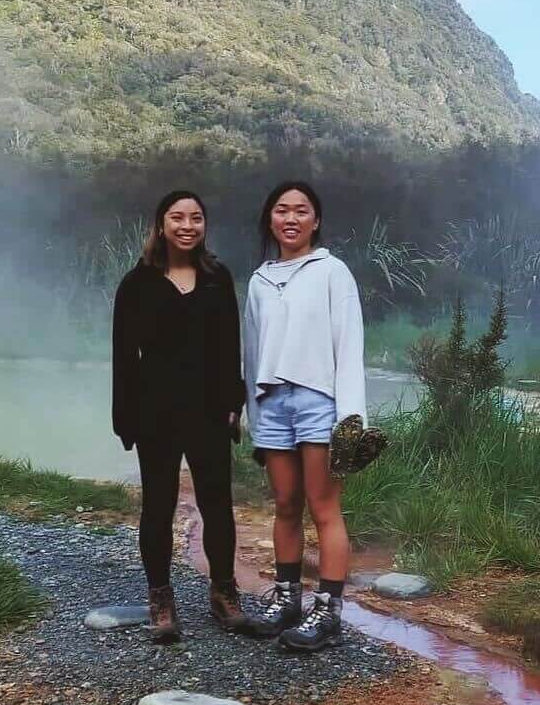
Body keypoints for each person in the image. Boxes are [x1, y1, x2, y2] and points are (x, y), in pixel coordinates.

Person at [112, 189, 251, 643]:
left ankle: (224, 591)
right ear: (161, 224)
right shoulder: (138, 283)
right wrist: (124, 417)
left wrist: (236, 402)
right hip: (155, 411)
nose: (187, 225)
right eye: (178, 217)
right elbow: (123, 356)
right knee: (158, 504)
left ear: (204, 226)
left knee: (217, 503)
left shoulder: (217, 277)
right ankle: (160, 598)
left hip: (209, 409)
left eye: (196, 218)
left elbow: (231, 345)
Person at [242, 180, 366, 653]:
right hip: (272, 402)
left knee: (324, 507)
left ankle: (328, 610)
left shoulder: (332, 272)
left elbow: (349, 345)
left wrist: (351, 420)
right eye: (281, 210)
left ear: (316, 220)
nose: (290, 219)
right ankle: (287, 599)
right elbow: (251, 352)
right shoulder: (259, 281)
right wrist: (253, 414)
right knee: (286, 504)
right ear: (269, 219)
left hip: (319, 401)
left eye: (300, 211)